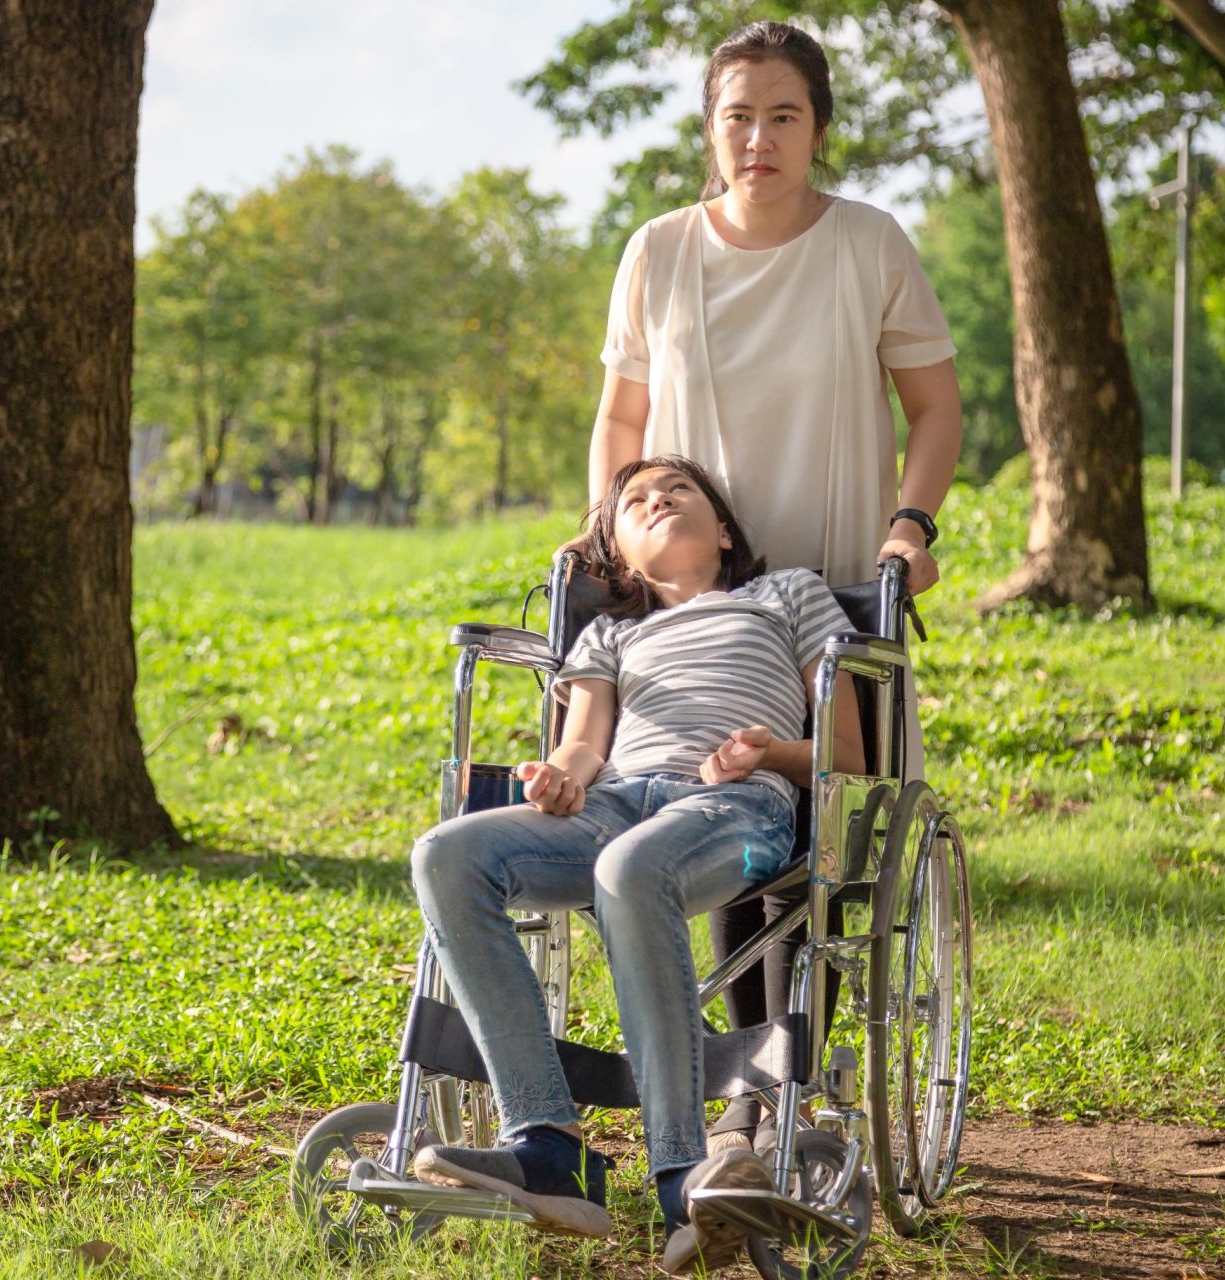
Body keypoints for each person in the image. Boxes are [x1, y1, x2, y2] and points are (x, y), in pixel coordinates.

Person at [584, 20, 965, 1152]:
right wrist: (611, 540)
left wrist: (910, 528)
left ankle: (787, 1082)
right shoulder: (658, 250)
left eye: (783, 115)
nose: (758, 137)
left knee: (818, 836)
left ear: (819, 129)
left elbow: (934, 408)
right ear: (711, 127)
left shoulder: (867, 244)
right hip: (694, 599)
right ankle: (747, 1090)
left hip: (835, 588)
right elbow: (620, 418)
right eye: (737, 114)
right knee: (712, 803)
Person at [410, 456, 864, 1275]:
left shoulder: (786, 594)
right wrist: (564, 776)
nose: (657, 501)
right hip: (613, 805)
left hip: (740, 806)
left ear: (723, 531)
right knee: (447, 854)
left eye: (677, 491)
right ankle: (549, 1147)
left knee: (629, 868)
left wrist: (773, 751)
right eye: (636, 501)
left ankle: (680, 1174)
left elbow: (848, 752)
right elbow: (584, 739)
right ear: (618, 553)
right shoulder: (608, 634)